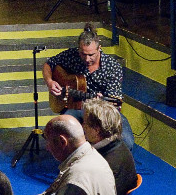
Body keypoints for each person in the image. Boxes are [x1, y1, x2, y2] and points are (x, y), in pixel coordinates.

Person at [42, 22, 135, 150]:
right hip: (76, 107)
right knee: (60, 132)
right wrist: (50, 82)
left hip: (102, 110)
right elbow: (49, 63)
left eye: (91, 55)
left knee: (127, 142)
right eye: (83, 54)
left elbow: (113, 103)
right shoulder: (72, 56)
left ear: (99, 48)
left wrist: (98, 104)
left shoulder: (112, 67)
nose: (86, 59)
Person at [83, 99, 138, 195]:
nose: (83, 126)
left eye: (85, 123)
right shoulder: (119, 145)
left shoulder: (104, 165)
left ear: (96, 130)